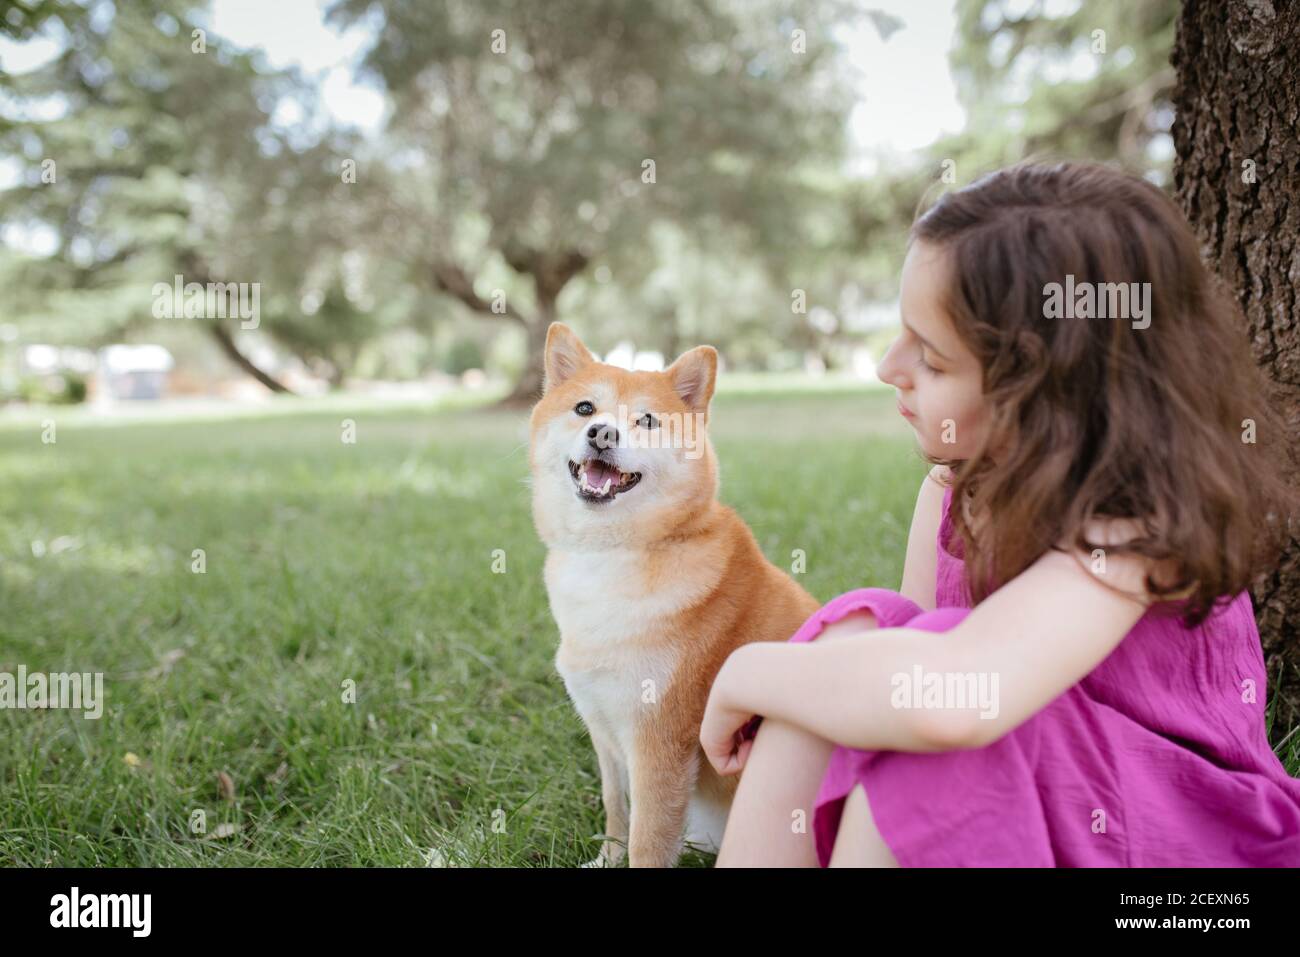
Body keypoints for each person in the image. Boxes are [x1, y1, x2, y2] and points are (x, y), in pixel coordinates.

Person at [700, 161, 1300, 867]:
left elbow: (950, 705)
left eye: (930, 355)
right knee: (866, 639)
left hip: (1182, 851)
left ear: (1042, 390)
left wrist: (746, 670)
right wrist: (814, 669)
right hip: (1022, 809)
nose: (888, 366)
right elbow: (892, 680)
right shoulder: (953, 491)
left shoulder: (1135, 524)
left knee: (936, 726)